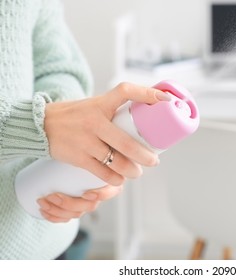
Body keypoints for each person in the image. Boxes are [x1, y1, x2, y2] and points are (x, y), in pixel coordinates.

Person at [0, 0, 169, 259]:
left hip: (49, 241)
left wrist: (78, 141)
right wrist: (38, 126)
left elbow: (58, 66)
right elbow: (42, 126)